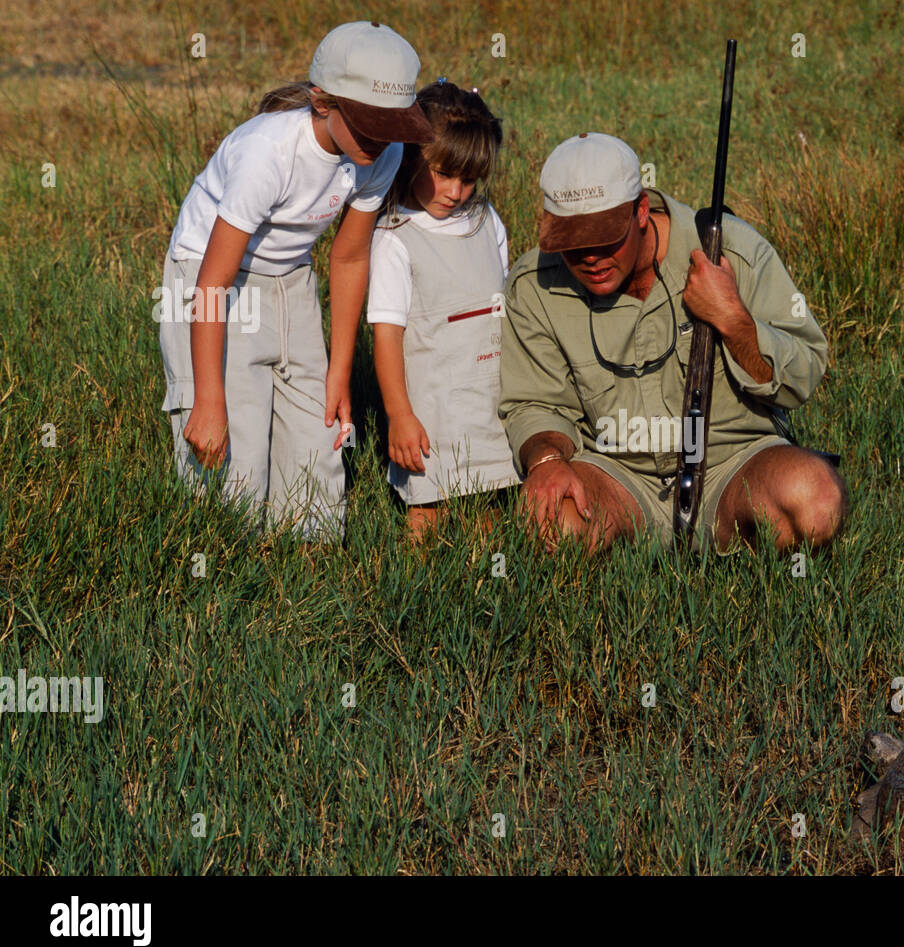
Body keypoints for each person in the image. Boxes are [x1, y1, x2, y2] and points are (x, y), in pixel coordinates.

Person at [499, 132, 846, 554]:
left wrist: (734, 320)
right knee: (550, 523)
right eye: (573, 244)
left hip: (734, 464)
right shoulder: (532, 283)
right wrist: (547, 462)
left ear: (641, 209)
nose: (589, 257)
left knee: (817, 501)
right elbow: (533, 404)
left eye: (605, 238)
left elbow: (804, 375)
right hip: (615, 473)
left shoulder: (731, 249)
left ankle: (742, 549)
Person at [157, 21, 434, 541]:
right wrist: (208, 398)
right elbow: (212, 282)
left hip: (291, 277)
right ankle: (217, 563)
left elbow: (350, 259)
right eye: (369, 125)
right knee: (231, 455)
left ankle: (304, 567)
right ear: (322, 102)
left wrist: (339, 372)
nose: (381, 140)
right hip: (211, 281)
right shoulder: (269, 152)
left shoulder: (383, 153)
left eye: (391, 127)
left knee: (320, 436)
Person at [366, 80, 518, 542]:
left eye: (469, 179)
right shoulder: (395, 239)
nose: (456, 191)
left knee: (488, 515)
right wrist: (399, 415)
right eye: (444, 173)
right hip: (430, 411)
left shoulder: (485, 221)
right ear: (413, 156)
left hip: (490, 402)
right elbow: (387, 337)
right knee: (426, 519)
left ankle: (483, 601)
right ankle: (407, 607)